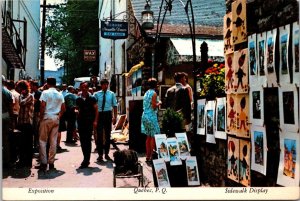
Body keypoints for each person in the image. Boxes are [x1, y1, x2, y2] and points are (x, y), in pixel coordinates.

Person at [39, 77, 65, 171]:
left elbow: (42, 106)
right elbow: (63, 108)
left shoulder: (45, 93)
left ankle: (44, 162)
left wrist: (41, 117)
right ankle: (51, 162)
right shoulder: (59, 94)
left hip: (46, 117)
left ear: (47, 83)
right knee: (53, 141)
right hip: (56, 118)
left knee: (43, 141)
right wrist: (58, 116)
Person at [94, 78, 118, 162]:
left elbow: (115, 106)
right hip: (99, 115)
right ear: (101, 85)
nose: (106, 86)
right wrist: (94, 120)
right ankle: (100, 154)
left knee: (108, 135)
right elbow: (94, 106)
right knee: (99, 136)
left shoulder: (111, 94)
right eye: (104, 84)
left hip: (108, 114)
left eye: (107, 84)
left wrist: (115, 117)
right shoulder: (96, 94)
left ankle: (107, 154)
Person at [76, 82, 98, 168]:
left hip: (89, 122)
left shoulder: (92, 98)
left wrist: (95, 121)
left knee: (88, 140)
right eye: (82, 87)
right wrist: (76, 112)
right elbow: (77, 109)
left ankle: (86, 159)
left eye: (85, 87)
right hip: (81, 122)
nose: (84, 88)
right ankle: (85, 157)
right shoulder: (78, 99)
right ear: (80, 88)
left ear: (88, 88)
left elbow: (96, 110)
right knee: (82, 141)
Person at [141, 78, 161, 163]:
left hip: (145, 116)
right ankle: (152, 156)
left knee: (148, 136)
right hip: (151, 116)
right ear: (156, 85)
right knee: (153, 136)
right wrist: (159, 103)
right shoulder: (154, 93)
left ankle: (147, 156)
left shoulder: (146, 93)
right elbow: (154, 106)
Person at [15, 80, 34, 168]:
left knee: (28, 144)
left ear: (23, 88)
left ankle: (28, 162)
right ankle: (22, 161)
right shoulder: (21, 96)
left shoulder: (30, 96)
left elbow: (22, 103)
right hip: (21, 123)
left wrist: (20, 95)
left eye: (19, 88)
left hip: (27, 123)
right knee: (21, 144)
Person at [2, 75, 14, 168]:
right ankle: (6, 161)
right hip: (6, 116)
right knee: (5, 140)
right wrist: (12, 119)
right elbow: (11, 107)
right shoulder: (8, 92)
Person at [30, 80, 42, 153]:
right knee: (34, 130)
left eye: (31, 85)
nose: (30, 87)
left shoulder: (38, 93)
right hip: (33, 113)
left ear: (35, 86)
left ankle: (36, 146)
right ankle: (35, 145)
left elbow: (34, 102)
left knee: (36, 130)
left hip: (37, 113)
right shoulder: (33, 93)